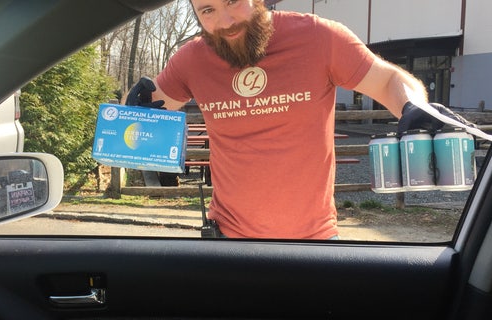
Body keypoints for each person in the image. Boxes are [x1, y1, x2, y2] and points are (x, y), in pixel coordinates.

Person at [126, 0, 471, 239]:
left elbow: (388, 80)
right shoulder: (192, 59)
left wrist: (413, 107)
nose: (225, 21)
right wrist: (135, 107)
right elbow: (155, 105)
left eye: (233, 1)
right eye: (208, 10)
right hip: (228, 240)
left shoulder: (318, 37)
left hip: (314, 241)